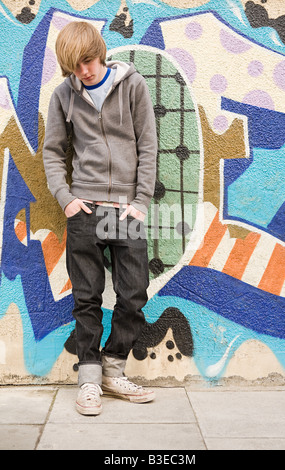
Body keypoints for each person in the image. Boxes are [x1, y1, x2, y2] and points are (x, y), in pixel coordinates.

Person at [43, 21, 157, 415]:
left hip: (125, 209)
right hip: (85, 210)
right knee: (86, 297)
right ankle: (89, 379)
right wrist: (67, 199)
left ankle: (113, 369)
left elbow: (147, 145)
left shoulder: (133, 85)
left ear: (100, 52)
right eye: (75, 67)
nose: (84, 72)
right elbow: (54, 152)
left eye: (88, 61)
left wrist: (140, 201)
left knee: (133, 293)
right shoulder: (63, 96)